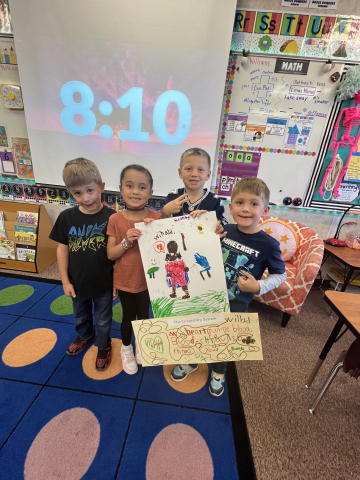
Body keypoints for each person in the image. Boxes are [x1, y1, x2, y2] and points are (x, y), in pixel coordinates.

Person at [170, 177, 286, 396]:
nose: (246, 209)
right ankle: (192, 361)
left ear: (265, 209)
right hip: (207, 295)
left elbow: (280, 274)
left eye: (254, 204)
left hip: (235, 303)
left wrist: (258, 286)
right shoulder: (223, 230)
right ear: (231, 207)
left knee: (223, 340)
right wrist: (198, 223)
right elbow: (198, 248)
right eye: (240, 202)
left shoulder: (269, 245)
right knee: (198, 331)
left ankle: (218, 372)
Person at [49, 158, 116, 371]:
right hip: (77, 283)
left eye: (90, 190)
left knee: (104, 319)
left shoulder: (112, 218)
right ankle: (86, 335)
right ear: (70, 192)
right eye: (78, 193)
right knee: (80, 315)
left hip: (104, 282)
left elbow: (118, 255)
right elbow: (62, 249)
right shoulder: (67, 217)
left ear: (101, 187)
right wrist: (65, 280)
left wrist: (116, 281)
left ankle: (104, 345)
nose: (85, 198)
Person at [107, 165, 161, 375]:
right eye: (129, 186)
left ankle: (142, 344)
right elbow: (111, 254)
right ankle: (126, 348)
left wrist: (154, 231)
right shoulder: (115, 219)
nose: (135, 192)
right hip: (126, 280)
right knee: (128, 316)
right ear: (121, 189)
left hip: (150, 280)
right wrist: (126, 241)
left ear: (150, 192)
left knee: (144, 315)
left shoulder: (156, 219)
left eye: (142, 187)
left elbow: (164, 249)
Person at [162, 147, 227, 226]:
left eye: (200, 170)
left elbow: (224, 228)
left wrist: (213, 221)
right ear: (180, 173)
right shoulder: (172, 196)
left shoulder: (215, 201)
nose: (194, 174)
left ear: (208, 175)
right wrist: (165, 212)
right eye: (189, 169)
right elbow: (160, 228)